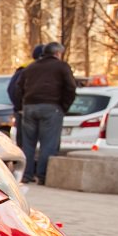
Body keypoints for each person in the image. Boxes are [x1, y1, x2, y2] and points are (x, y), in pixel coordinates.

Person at [16, 41, 77, 185]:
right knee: (48, 143)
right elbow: (71, 88)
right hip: (51, 107)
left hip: (29, 107)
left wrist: (22, 106)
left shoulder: (30, 67)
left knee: (28, 144)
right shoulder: (61, 67)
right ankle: (42, 176)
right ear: (57, 53)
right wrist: (63, 106)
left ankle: (26, 174)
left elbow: (18, 88)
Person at [7, 44, 45, 154]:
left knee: (25, 144)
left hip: (24, 110)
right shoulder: (30, 69)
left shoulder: (25, 68)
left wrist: (20, 107)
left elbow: (12, 90)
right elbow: (14, 90)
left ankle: (27, 169)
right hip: (29, 111)